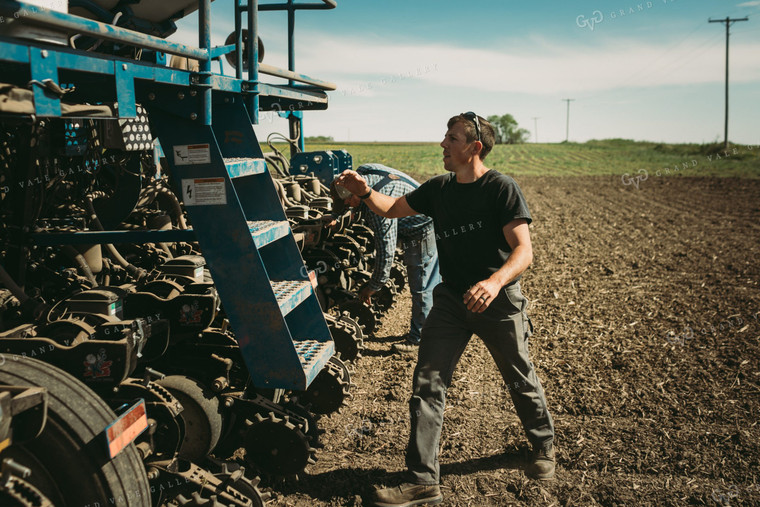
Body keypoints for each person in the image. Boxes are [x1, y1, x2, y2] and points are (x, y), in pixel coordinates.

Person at [334, 113, 556, 506]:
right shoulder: (439, 189)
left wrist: (494, 282)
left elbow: (524, 251)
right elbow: (391, 209)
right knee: (427, 384)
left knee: (519, 376)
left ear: (474, 147)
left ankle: (543, 447)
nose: (443, 144)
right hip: (452, 300)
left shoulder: (500, 189)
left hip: (498, 300)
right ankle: (423, 481)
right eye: (445, 136)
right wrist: (366, 192)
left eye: (452, 138)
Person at [330, 163, 441, 353]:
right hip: (422, 208)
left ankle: (419, 339)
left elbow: (386, 251)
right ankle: (436, 323)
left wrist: (373, 287)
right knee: (431, 281)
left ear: (356, 193)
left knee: (421, 283)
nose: (347, 206)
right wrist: (335, 216)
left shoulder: (378, 208)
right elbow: (350, 201)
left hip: (422, 226)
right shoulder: (361, 174)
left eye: (348, 202)